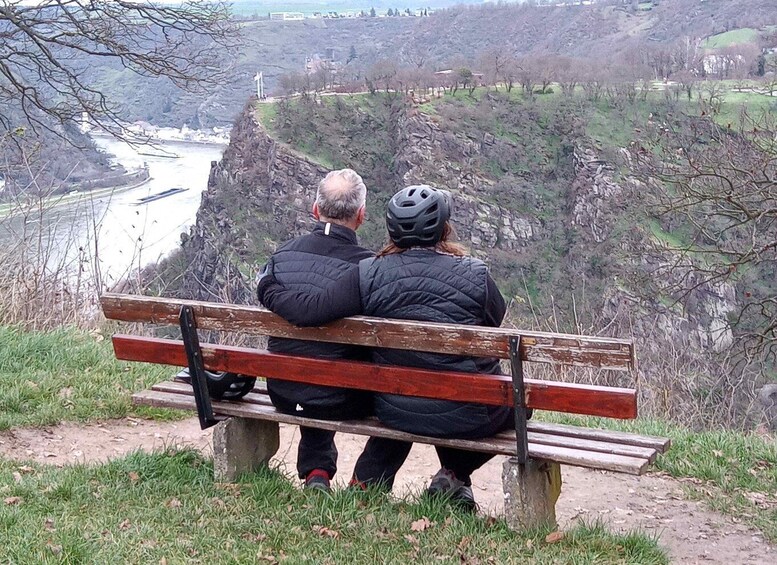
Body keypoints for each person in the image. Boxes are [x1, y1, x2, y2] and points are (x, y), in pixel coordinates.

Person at [257, 185, 513, 510]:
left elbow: (310, 310)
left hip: (394, 407)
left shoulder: (368, 273)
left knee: (409, 398)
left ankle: (367, 484)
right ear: (445, 228)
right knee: (515, 407)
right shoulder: (476, 275)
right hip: (469, 413)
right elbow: (494, 321)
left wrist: (266, 284)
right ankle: (453, 474)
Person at [259, 168, 374, 491]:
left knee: (312, 366)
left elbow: (298, 307)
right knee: (335, 370)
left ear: (315, 209)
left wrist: (266, 287)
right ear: (361, 215)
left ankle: (317, 471)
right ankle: (366, 481)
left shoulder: (281, 257)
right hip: (345, 397)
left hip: (283, 391)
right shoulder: (369, 268)